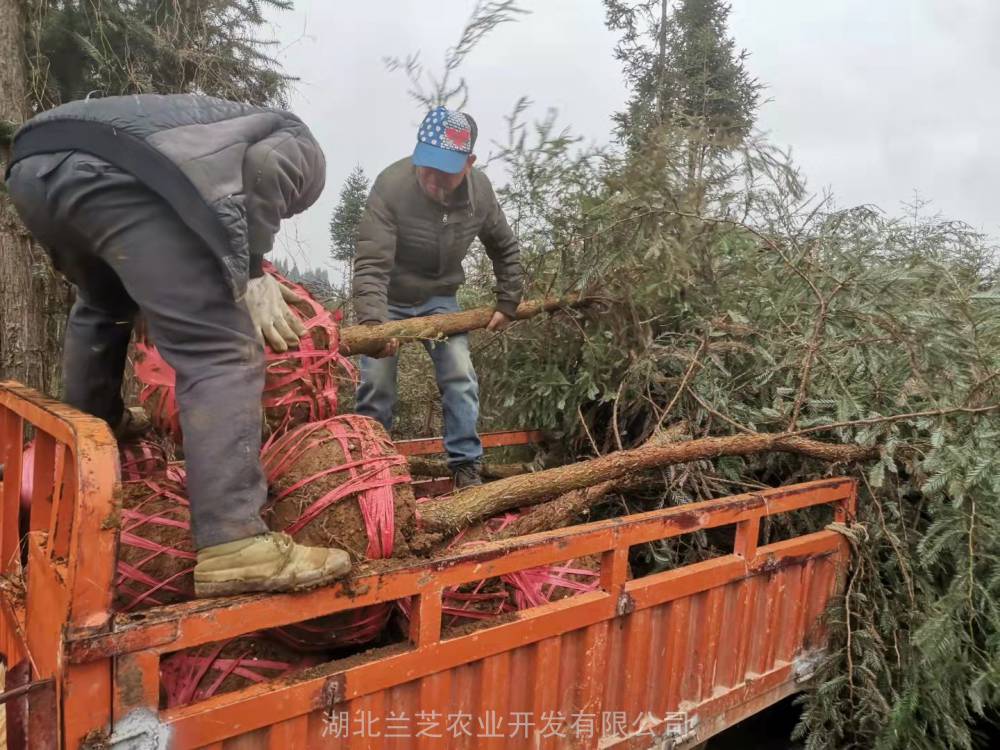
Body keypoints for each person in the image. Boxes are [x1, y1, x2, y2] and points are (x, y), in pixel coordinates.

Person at [5, 93, 350, 597]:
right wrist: (253, 269)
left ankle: (93, 427)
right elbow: (263, 173)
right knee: (219, 353)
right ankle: (234, 543)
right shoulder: (302, 148)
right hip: (117, 172)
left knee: (103, 305)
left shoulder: (223, 124)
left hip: (35, 166)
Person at [352, 106, 523, 488]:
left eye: (443, 171)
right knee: (376, 383)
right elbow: (371, 264)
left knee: (459, 374)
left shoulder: (480, 192)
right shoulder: (391, 185)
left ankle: (465, 466)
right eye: (426, 166)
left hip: (441, 300)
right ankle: (372, 469)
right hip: (388, 301)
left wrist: (508, 301)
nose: (431, 178)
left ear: (469, 163)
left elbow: (504, 247)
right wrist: (374, 324)